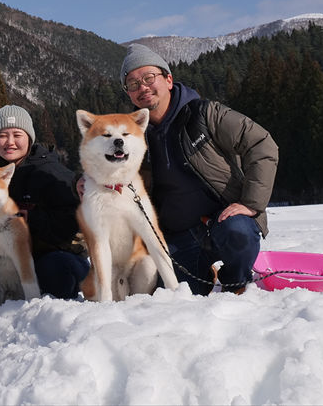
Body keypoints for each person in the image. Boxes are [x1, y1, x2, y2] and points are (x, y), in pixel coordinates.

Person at [119, 43, 278, 295]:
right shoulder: (132, 133)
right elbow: (105, 167)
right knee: (171, 294)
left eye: (149, 78)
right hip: (179, 235)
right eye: (133, 84)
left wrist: (252, 203)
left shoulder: (206, 114)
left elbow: (261, 143)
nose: (143, 87)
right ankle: (203, 276)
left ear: (168, 79)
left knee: (238, 232)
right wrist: (81, 183)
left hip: (223, 222)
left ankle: (235, 282)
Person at [0, 105, 89, 314]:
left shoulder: (50, 172)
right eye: (2, 135)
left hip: (58, 253)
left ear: (29, 138)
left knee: (55, 273)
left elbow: (73, 221)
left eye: (17, 135)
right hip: (14, 257)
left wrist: (29, 218)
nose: (10, 142)